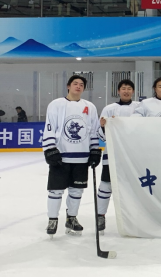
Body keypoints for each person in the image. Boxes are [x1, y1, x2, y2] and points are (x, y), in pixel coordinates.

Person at [42, 75, 101, 238]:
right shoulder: (56, 104)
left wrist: (95, 150)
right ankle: (52, 220)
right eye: (75, 83)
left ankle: (71, 218)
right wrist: (50, 148)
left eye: (81, 84)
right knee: (56, 190)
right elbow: (49, 126)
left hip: (82, 156)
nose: (78, 86)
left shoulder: (89, 106)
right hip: (61, 156)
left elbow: (93, 130)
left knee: (77, 190)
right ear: (68, 86)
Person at [96, 79, 140, 234]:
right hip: (112, 154)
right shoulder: (109, 109)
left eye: (129, 88)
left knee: (133, 187)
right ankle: (100, 215)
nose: (126, 91)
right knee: (106, 185)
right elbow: (101, 135)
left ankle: (135, 217)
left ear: (133, 91)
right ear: (118, 91)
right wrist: (103, 126)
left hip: (134, 156)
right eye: (123, 88)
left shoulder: (139, 108)